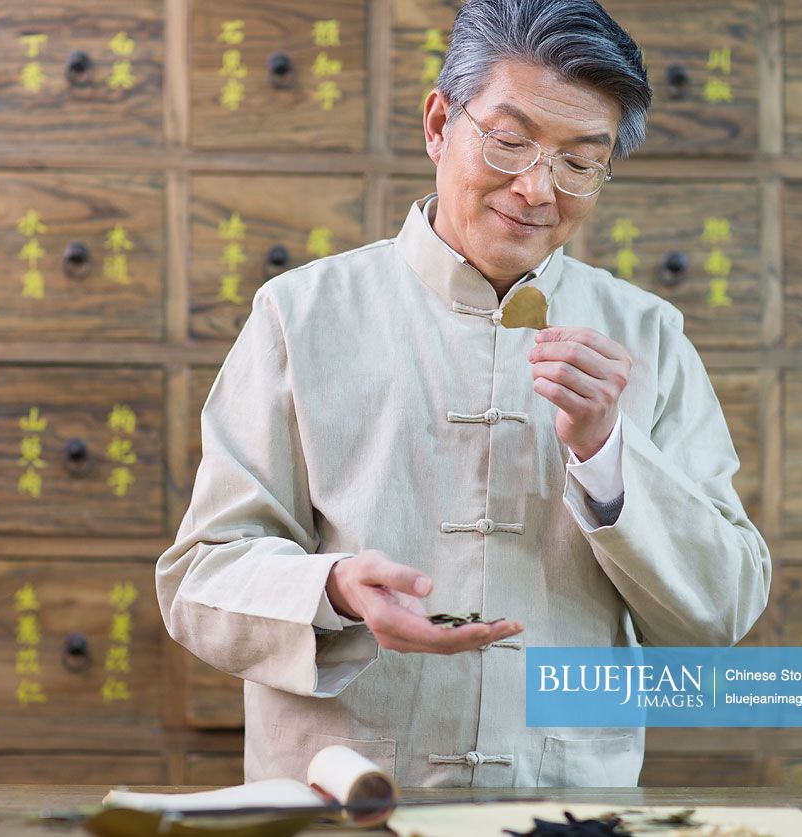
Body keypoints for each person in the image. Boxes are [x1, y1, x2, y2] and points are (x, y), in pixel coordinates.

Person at [156, 0, 770, 787]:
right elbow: (198, 577)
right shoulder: (300, 315)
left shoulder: (646, 336)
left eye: (580, 161)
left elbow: (721, 609)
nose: (536, 188)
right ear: (439, 123)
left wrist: (607, 454)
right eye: (510, 142)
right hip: (344, 795)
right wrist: (333, 589)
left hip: (563, 797)